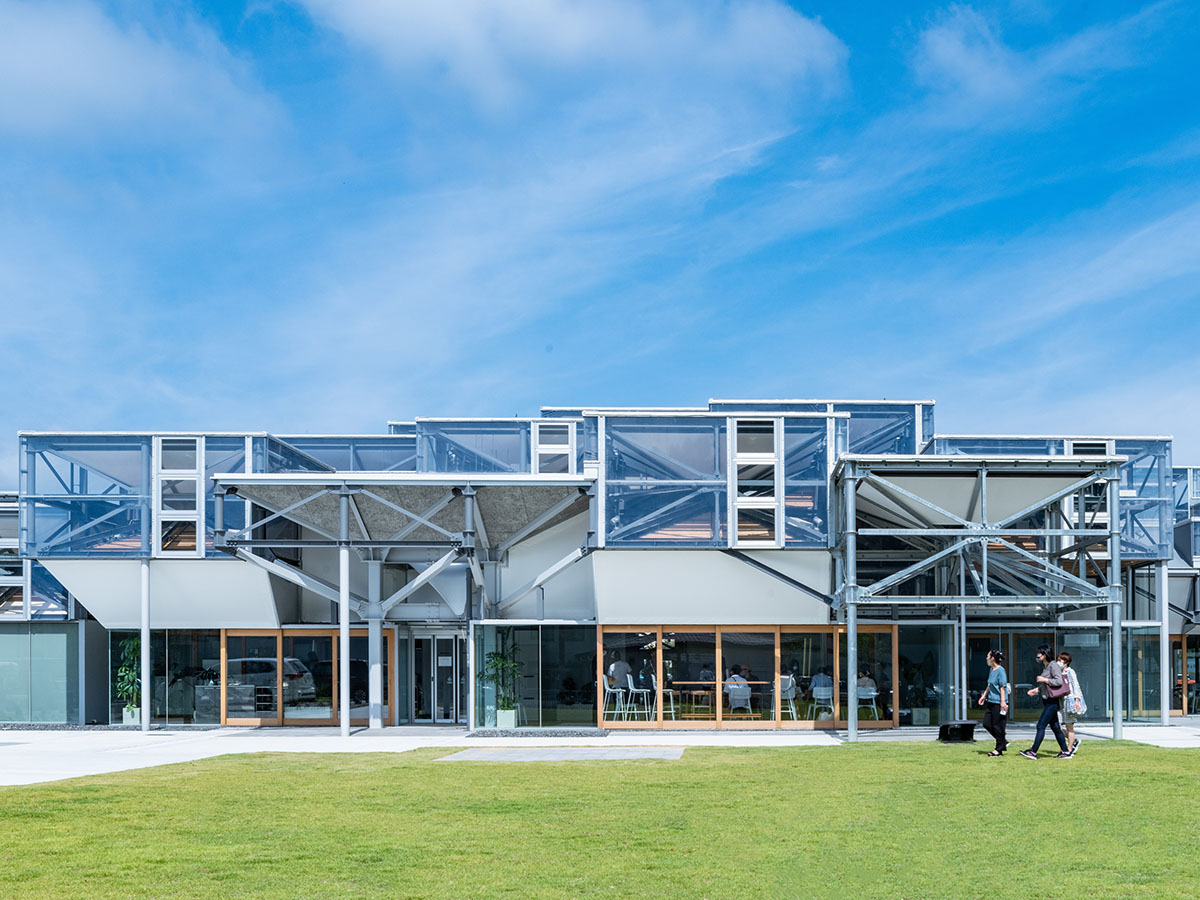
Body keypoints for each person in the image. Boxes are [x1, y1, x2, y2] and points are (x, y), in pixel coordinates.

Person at [1019, 645, 1070, 760]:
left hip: (1053, 701)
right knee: (1056, 727)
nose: (1037, 656)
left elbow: (1058, 681)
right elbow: (1046, 687)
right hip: (1048, 701)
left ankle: (1033, 751)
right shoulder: (1046, 667)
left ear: (1045, 654)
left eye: (1039, 654)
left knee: (1040, 726)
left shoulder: (1053, 665)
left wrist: (1044, 680)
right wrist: (1036, 690)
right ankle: (1065, 752)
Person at [976, 648, 1009, 756]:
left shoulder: (1001, 670)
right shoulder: (992, 670)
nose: (986, 658)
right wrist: (984, 696)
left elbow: (1002, 687)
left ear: (992, 658)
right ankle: (1003, 742)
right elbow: (990, 685)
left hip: (999, 702)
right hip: (991, 701)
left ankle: (998, 749)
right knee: (987, 723)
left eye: (988, 656)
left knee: (997, 725)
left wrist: (1003, 702)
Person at [1058, 651, 1085, 756]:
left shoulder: (1070, 671)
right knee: (1057, 726)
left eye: (1060, 660)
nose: (1058, 662)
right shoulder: (1058, 672)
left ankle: (1069, 749)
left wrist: (1076, 701)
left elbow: (1076, 686)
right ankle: (1073, 741)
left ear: (1066, 661)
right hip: (1060, 701)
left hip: (1069, 700)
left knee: (1069, 725)